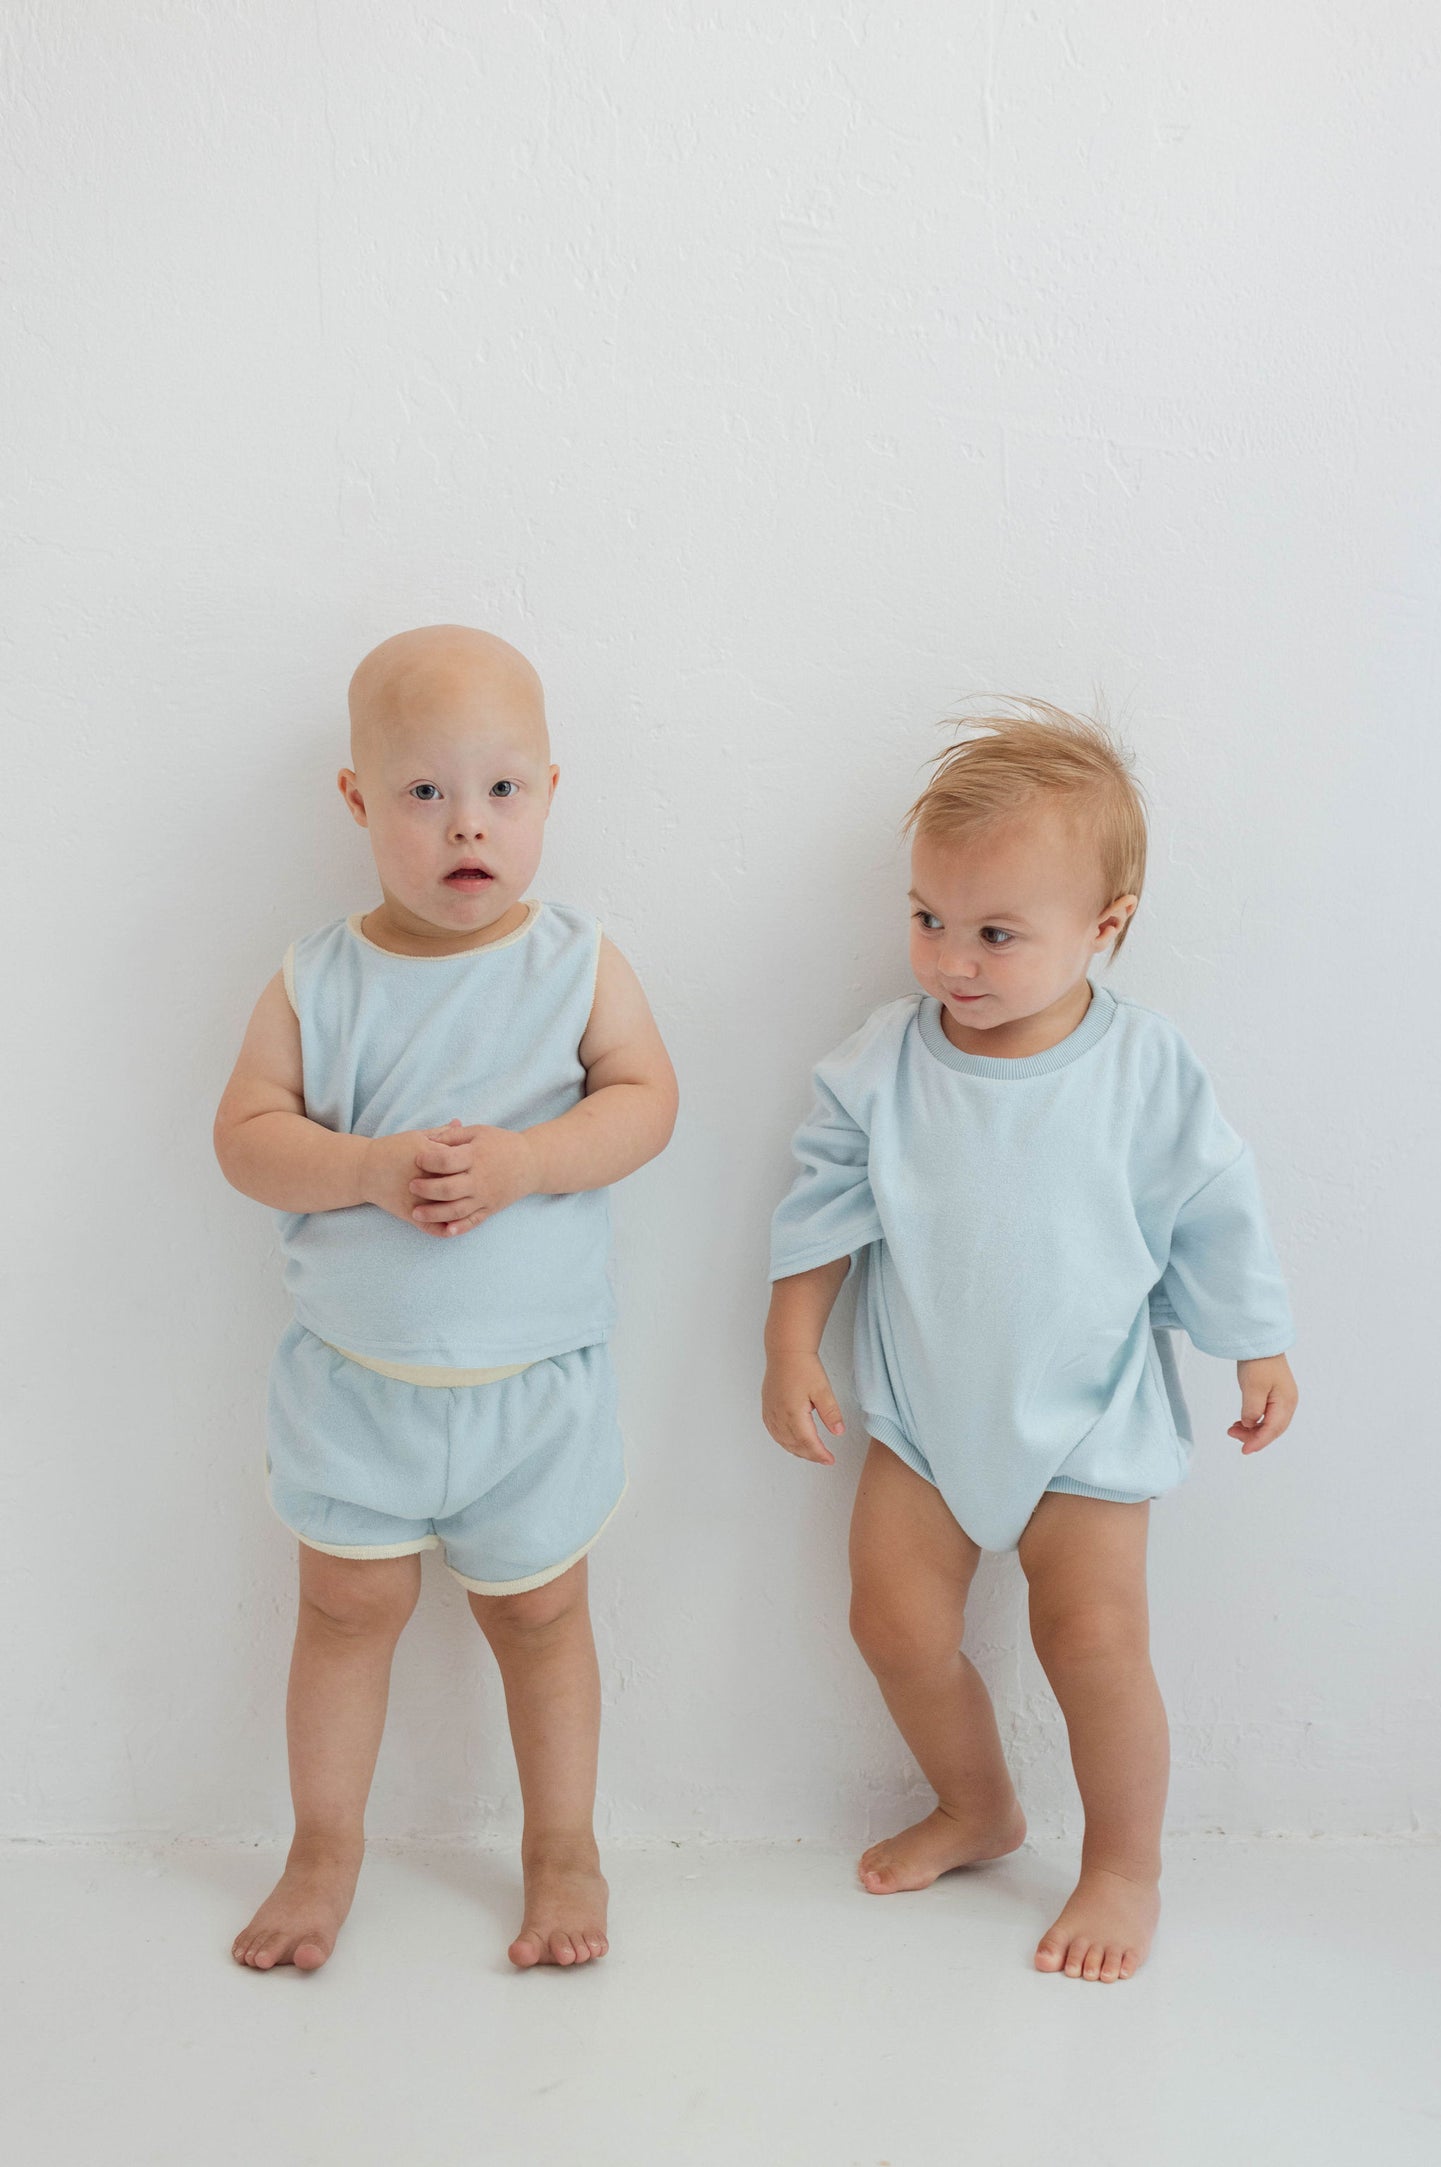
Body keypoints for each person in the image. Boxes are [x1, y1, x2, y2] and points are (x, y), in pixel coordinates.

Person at [763, 705, 1297, 1983]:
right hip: (923, 1413)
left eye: (995, 933)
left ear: (1101, 928)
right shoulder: (885, 1065)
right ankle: (976, 1805)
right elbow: (819, 1206)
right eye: (928, 918)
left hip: (1088, 1418)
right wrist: (792, 1343)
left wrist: (1254, 1345)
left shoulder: (1142, 1070)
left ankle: (1122, 1863)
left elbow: (1213, 1207)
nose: (952, 958)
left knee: (1093, 1642)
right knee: (889, 1621)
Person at [215, 624, 676, 1972]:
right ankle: (322, 1843)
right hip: (356, 1387)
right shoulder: (319, 977)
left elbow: (647, 1102)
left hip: (530, 1393)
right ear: (359, 800)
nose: (464, 823)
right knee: (344, 1613)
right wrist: (356, 1165)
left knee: (541, 1617)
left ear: (547, 791)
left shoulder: (576, 964)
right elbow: (245, 1136)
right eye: (422, 792)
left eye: (500, 790)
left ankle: (560, 1844)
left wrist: (532, 1157)